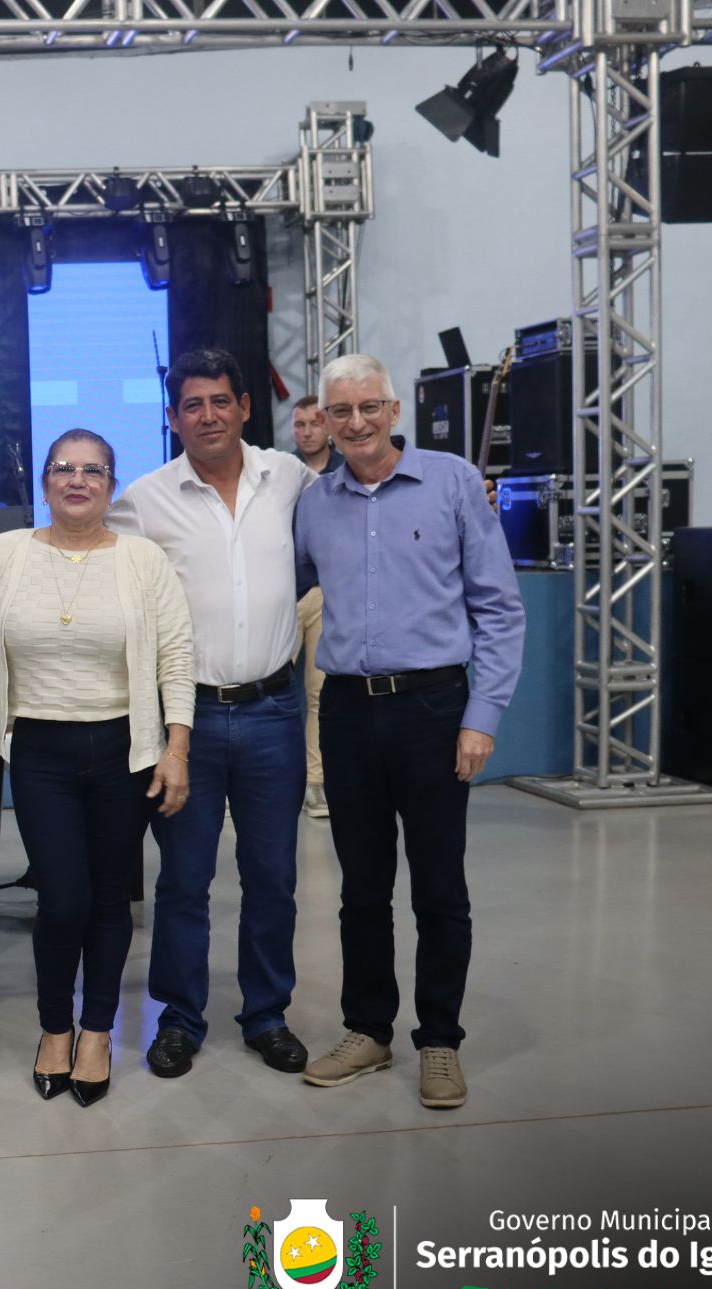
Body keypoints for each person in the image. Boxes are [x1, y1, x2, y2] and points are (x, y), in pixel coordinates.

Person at [294, 354, 525, 1110]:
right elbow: (289, 591)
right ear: (322, 422)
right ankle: (367, 1028)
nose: (355, 422)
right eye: (340, 411)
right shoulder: (314, 504)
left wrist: (481, 716)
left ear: (394, 410)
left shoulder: (454, 482)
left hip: (433, 709)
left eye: (369, 407)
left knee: (439, 887)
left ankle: (439, 1042)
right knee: (361, 888)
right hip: (350, 711)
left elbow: (498, 607)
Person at [105, 348, 314, 1083]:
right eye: (192, 405)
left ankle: (267, 1014)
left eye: (221, 400)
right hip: (184, 722)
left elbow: (359, 499)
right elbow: (97, 568)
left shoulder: (287, 478)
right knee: (183, 881)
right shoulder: (143, 499)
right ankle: (180, 1018)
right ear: (172, 417)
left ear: (245, 406)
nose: (208, 415)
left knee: (273, 876)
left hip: (272, 711)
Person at [0, 429, 195, 1107]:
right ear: (44, 482)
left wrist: (177, 747)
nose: (76, 479)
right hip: (39, 751)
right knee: (62, 899)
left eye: (91, 470)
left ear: (110, 482)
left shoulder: (143, 559)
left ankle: (96, 1029)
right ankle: (53, 1026)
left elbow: (176, 655)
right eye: (63, 469)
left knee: (107, 899)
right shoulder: (3, 554)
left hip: (123, 751)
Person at [290, 398, 341, 819]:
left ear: (327, 427)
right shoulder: (278, 475)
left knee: (318, 692)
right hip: (283, 593)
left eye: (313, 423)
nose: (306, 432)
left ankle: (315, 782)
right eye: (299, 424)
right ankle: (234, 787)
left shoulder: (346, 470)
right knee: (249, 686)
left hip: (325, 593)